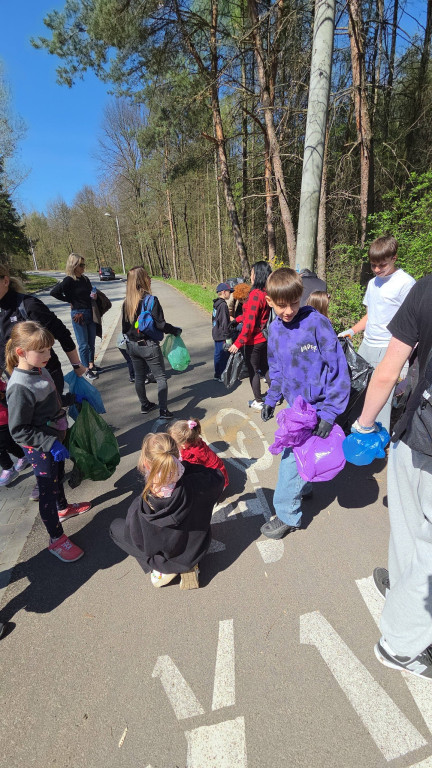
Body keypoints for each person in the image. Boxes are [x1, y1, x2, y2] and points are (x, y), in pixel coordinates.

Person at [353, 273, 432, 680]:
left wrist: (364, 425)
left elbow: (389, 369)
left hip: (413, 428)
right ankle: (401, 644)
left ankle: (401, 592)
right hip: (420, 434)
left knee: (408, 528)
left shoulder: (425, 286)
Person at [260, 268, 350, 540]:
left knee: (291, 463)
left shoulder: (316, 323)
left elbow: (338, 370)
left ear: (302, 297)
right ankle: (306, 486)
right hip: (295, 408)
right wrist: (271, 398)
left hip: (318, 407)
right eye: (281, 305)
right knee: (301, 458)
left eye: (294, 303)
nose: (288, 311)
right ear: (269, 302)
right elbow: (275, 369)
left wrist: (330, 412)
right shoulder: (274, 329)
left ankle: (288, 515)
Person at [6, 322, 92, 562]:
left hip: (55, 437)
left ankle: (63, 508)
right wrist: (49, 443)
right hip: (41, 447)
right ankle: (56, 539)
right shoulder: (20, 387)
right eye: (42, 351)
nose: (48, 355)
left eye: (49, 350)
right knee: (47, 489)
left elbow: (49, 402)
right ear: (21, 352)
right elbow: (19, 430)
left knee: (58, 477)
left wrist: (70, 398)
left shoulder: (39, 369)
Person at [0, 264, 86, 502]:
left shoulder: (27, 305)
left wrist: (77, 365)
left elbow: (60, 332)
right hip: (14, 381)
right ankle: (49, 480)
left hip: (45, 373)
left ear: (5, 280)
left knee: (52, 421)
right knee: (32, 430)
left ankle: (55, 477)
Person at [109, 432, 224, 589]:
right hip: (197, 547)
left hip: (168, 559)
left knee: (115, 528)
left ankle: (163, 571)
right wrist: (187, 467)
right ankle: (189, 565)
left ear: (145, 464)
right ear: (177, 456)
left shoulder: (140, 508)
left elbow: (140, 544)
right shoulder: (198, 482)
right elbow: (218, 478)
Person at [338, 235, 415, 432]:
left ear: (394, 258)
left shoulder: (406, 283)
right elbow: (370, 315)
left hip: (389, 346)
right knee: (359, 389)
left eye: (382, 265)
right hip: (367, 344)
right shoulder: (373, 283)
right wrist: (352, 330)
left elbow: (413, 322)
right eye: (373, 265)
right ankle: (356, 430)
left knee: (382, 397)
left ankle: (376, 438)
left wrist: (407, 358)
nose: (378, 269)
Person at [122, 266, 181, 420]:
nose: (150, 279)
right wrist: (174, 330)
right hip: (148, 345)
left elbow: (124, 328)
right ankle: (163, 411)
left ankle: (145, 404)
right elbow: (161, 325)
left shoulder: (126, 303)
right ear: (143, 280)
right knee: (161, 377)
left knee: (140, 377)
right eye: (147, 276)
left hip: (132, 346)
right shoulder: (151, 300)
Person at [228, 261, 272, 410]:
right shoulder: (267, 292)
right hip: (263, 338)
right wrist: (237, 320)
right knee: (265, 367)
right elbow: (250, 316)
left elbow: (249, 325)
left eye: (252, 272)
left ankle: (258, 401)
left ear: (257, 274)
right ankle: (274, 396)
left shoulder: (255, 295)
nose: (251, 276)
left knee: (253, 370)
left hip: (253, 340)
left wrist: (237, 343)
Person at [50, 253, 100, 380]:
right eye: (81, 265)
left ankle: (91, 364)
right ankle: (85, 369)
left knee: (91, 343)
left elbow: (89, 293)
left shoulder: (85, 279)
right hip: (79, 315)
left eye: (84, 264)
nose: (83, 267)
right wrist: (69, 300)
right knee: (83, 344)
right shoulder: (69, 280)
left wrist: (93, 296)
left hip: (90, 312)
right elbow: (54, 292)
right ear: (74, 265)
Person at [168, 418, 229, 489]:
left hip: (216, 478)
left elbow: (189, 468)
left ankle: (217, 492)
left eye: (176, 444)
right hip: (217, 470)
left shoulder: (192, 454)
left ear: (183, 444)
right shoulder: (195, 440)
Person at [0, 378, 29, 486]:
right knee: (8, 444)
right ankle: (22, 456)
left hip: (2, 420)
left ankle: (8, 468)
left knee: (4, 445)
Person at [212, 282, 232, 381]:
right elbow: (224, 322)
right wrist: (227, 336)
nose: (230, 294)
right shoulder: (223, 305)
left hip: (216, 332)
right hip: (222, 334)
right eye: (229, 292)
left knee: (217, 354)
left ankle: (217, 373)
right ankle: (222, 375)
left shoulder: (216, 303)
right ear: (224, 292)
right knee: (223, 355)